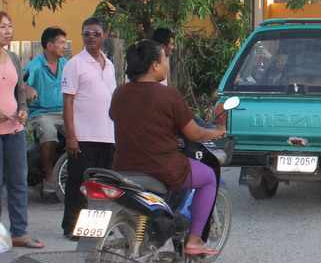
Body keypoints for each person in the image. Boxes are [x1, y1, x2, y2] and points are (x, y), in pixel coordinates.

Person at [110, 40, 225, 256]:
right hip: (161, 167)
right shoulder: (168, 95)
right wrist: (216, 132)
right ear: (155, 65)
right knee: (209, 176)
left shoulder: (119, 93)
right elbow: (194, 133)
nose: (166, 64)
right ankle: (194, 240)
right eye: (165, 59)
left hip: (123, 166)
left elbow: (119, 118)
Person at [0, 11, 44, 249]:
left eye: (10, 26)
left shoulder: (13, 57)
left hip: (15, 128)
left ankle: (19, 232)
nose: (9, 31)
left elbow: (20, 90)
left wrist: (23, 109)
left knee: (19, 181)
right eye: (3, 27)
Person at [61, 17, 117, 240]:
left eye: (95, 33)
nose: (90, 37)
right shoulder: (74, 64)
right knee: (78, 183)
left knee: (101, 185)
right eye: (86, 34)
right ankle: (71, 226)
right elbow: (68, 102)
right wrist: (71, 136)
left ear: (104, 35)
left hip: (107, 134)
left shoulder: (110, 64)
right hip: (83, 135)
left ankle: (94, 228)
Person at [24, 27, 68, 197]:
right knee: (48, 132)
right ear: (49, 46)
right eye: (61, 43)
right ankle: (49, 177)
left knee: (80, 133)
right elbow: (21, 84)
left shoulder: (66, 64)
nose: (65, 46)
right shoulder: (35, 66)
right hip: (41, 113)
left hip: (64, 112)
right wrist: (27, 89)